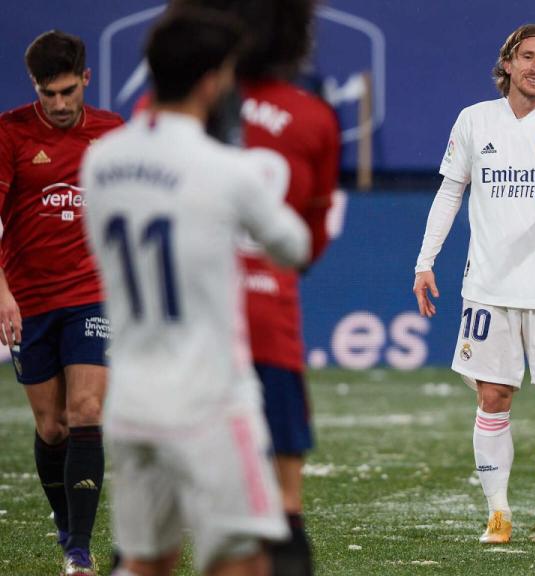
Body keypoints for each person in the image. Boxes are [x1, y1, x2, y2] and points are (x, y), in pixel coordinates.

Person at [80, 8, 310, 576]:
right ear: (213, 79)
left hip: (131, 401)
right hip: (210, 401)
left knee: (143, 561)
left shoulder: (100, 159)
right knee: (241, 563)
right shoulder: (225, 170)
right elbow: (294, 246)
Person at [412, 22, 535, 545]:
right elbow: (451, 193)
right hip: (487, 288)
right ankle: (498, 512)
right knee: (492, 397)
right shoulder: (474, 121)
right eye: (528, 56)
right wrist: (424, 262)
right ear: (509, 63)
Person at [170, 1, 339, 572]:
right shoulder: (313, 118)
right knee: (282, 510)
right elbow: (307, 249)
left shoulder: (167, 110)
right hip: (269, 332)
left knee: (166, 521)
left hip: (182, 334)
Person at [0, 29, 123, 575]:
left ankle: (79, 552)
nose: (58, 104)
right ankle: (66, 524)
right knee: (51, 427)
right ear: (35, 88)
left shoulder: (113, 134)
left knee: (87, 412)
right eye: (47, 94)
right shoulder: (10, 134)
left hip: (91, 293)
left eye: (67, 91)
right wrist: (2, 293)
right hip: (28, 300)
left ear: (86, 81)